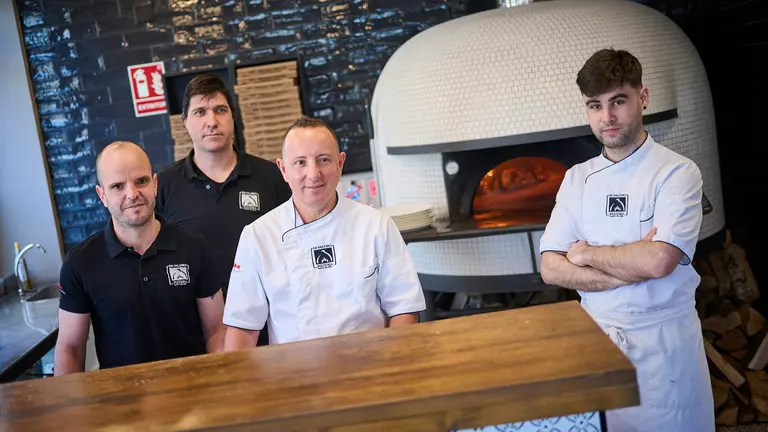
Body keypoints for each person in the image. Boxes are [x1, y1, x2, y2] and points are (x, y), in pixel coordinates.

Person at [538, 49, 714, 431]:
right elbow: (551, 268)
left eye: (618, 101)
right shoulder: (577, 179)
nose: (607, 117)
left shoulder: (677, 172)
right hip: (599, 342)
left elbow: (658, 263)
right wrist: (627, 266)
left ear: (643, 98)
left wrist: (585, 253)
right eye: (595, 105)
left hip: (664, 345)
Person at [222, 116, 426, 349]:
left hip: (370, 366)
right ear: (283, 169)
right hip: (294, 375)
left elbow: (404, 310)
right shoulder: (258, 236)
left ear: (340, 163)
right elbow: (243, 328)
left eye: (323, 160)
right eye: (300, 162)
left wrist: (392, 365)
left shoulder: (376, 225)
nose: (313, 173)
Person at [54, 141, 225, 375]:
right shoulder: (80, 263)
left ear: (155, 184)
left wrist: (220, 385)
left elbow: (217, 330)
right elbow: (70, 348)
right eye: (117, 186)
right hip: (121, 402)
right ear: (102, 195)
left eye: (141, 181)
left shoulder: (195, 248)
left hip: (193, 396)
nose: (132, 194)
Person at [155, 74, 291, 347]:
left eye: (220, 110)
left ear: (232, 116)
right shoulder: (164, 187)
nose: (211, 121)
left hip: (270, 327)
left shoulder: (271, 177)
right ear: (185, 122)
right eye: (200, 112)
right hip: (194, 335)